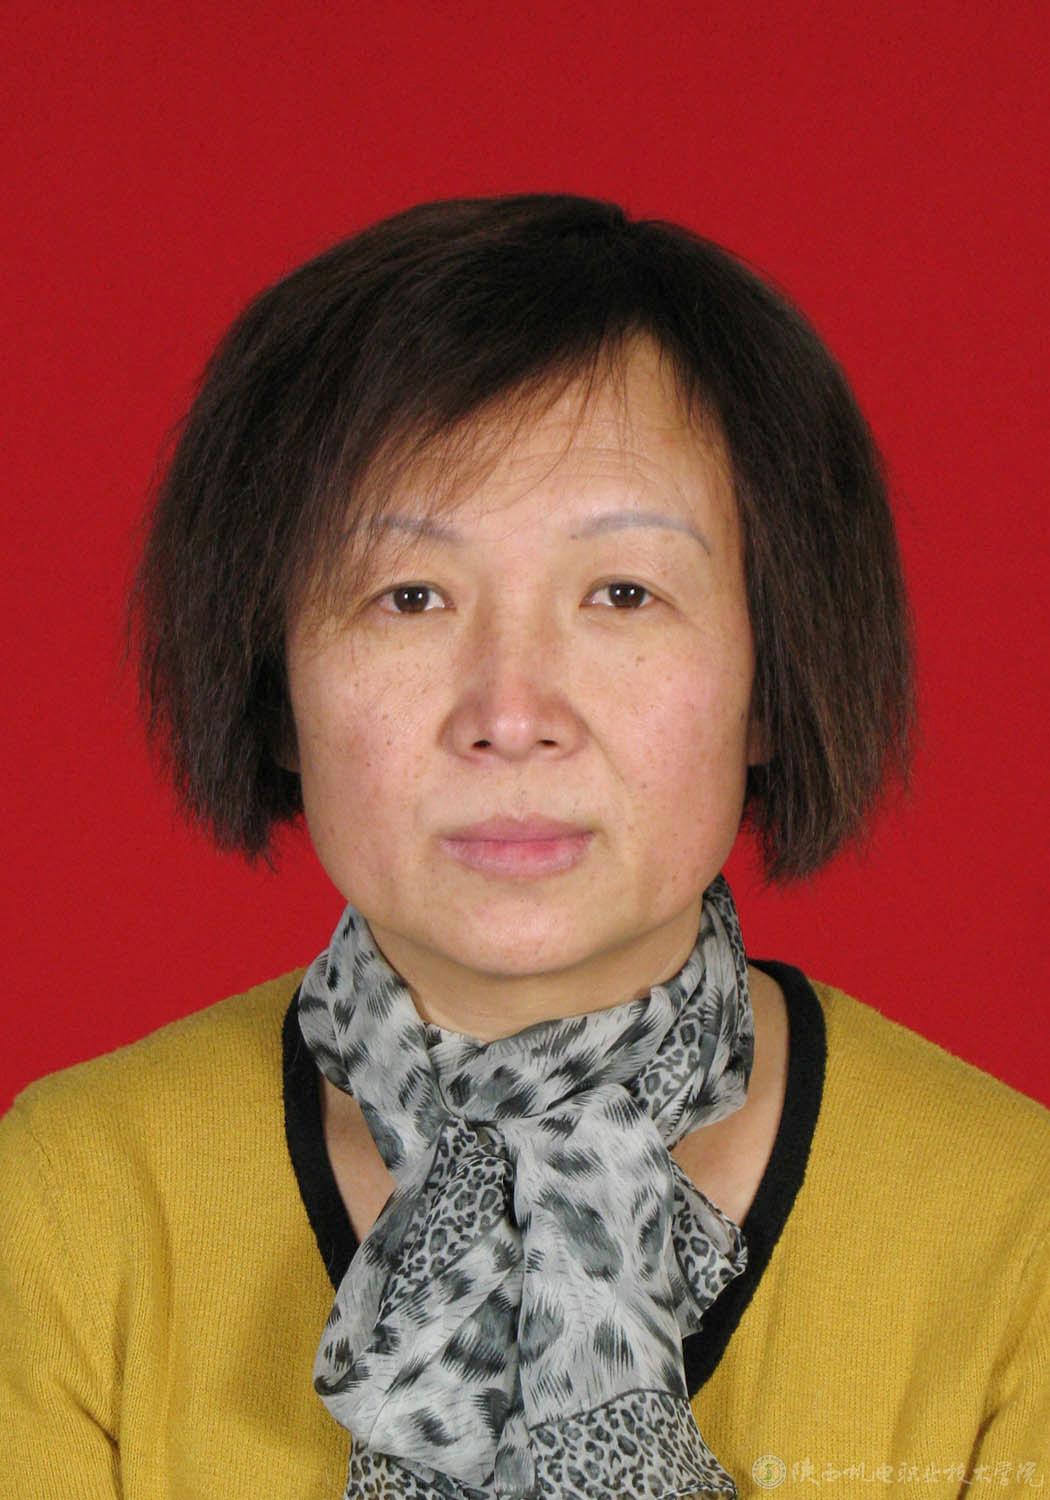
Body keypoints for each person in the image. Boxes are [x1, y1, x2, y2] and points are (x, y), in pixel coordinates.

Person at [1, 193, 1047, 1500]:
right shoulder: (70, 1204)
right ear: (274, 689)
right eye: (409, 596)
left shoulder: (1016, 1232)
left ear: (772, 681)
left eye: (623, 593)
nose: (510, 713)